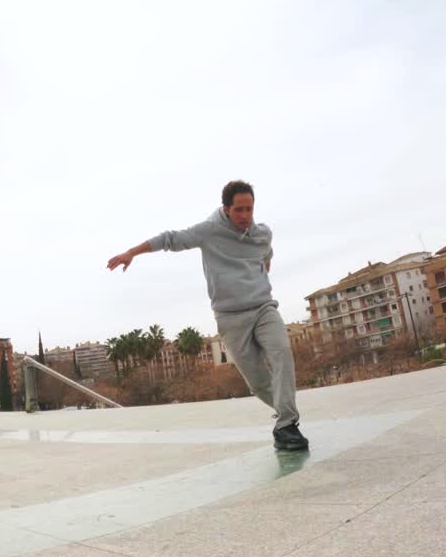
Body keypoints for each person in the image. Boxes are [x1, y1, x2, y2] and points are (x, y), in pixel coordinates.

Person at [106, 180, 308, 451]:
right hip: (230, 317)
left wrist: (259, 277)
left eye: (249, 209)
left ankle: (286, 425)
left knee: (282, 352)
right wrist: (131, 252)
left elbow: (265, 255)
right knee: (258, 382)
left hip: (263, 308)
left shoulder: (262, 233)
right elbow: (170, 238)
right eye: (239, 210)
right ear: (226, 209)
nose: (245, 216)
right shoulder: (210, 231)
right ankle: (285, 416)